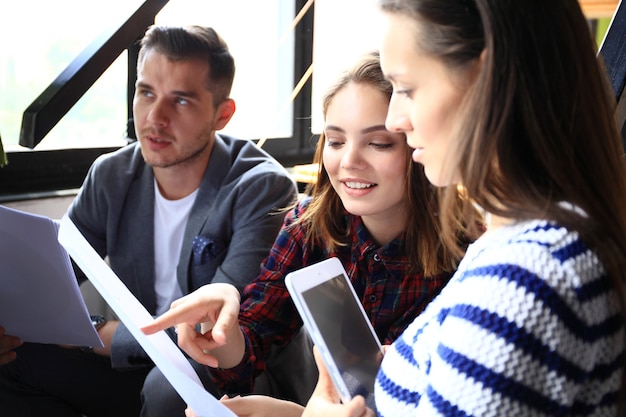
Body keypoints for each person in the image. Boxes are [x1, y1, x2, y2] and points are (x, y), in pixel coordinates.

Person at [301, 1, 626, 416]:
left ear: (487, 81)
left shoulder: (523, 278)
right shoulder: (522, 244)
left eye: (408, 88)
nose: (396, 119)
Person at [142, 51, 484, 416]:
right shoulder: (309, 223)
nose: (349, 161)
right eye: (336, 141)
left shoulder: (469, 254)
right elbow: (254, 339)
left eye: (378, 143)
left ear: (419, 145)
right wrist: (222, 330)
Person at [0, 25, 297, 417]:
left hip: (218, 372)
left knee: (173, 386)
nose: (155, 117)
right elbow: (51, 280)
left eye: (182, 101)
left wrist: (97, 335)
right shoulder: (111, 175)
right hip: (131, 366)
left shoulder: (263, 189)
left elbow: (216, 329)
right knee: (12, 357)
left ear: (222, 114)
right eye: (146, 93)